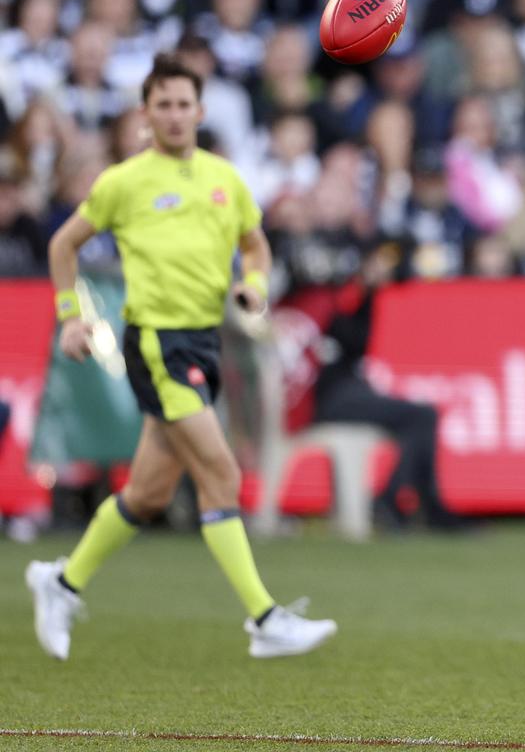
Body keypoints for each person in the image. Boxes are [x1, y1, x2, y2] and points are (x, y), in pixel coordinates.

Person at [26, 53, 337, 661]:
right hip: (156, 344)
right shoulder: (123, 182)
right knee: (220, 475)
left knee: (145, 494)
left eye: (182, 104)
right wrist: (70, 316)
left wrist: (256, 286)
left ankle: (59, 583)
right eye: (161, 104)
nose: (172, 115)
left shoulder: (225, 178)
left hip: (203, 342)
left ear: (199, 110)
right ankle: (264, 618)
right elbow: (64, 244)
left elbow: (255, 244)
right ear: (145, 115)